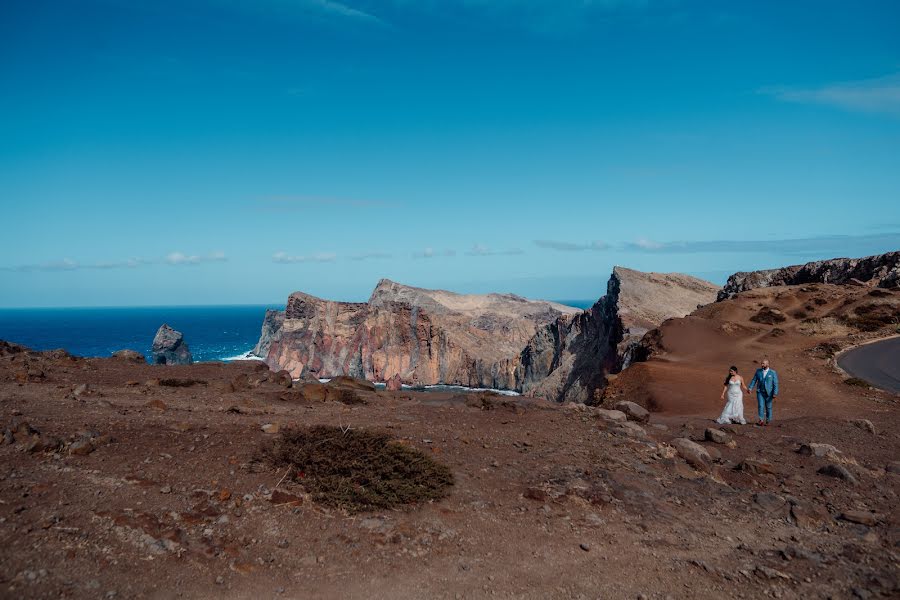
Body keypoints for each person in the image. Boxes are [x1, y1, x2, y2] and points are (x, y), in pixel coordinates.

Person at [748, 359, 779, 426]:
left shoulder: (772, 372)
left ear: (768, 364)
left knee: (768, 407)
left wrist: (775, 393)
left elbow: (775, 383)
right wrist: (750, 388)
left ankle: (768, 420)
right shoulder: (758, 371)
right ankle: (761, 420)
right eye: (761, 363)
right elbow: (754, 380)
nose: (762, 365)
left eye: (763, 363)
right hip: (760, 392)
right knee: (761, 406)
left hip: (769, 393)